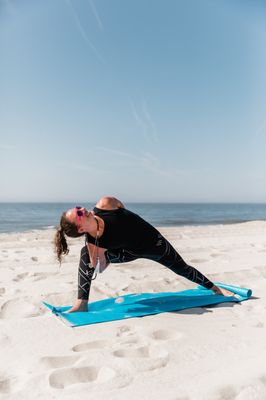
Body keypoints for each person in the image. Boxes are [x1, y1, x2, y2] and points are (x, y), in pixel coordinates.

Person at [54, 196, 234, 312]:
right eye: (78, 213)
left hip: (153, 243)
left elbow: (120, 206)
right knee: (86, 254)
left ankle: (215, 289)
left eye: (78, 207)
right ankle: (81, 303)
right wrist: (99, 258)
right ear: (81, 228)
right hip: (130, 252)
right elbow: (100, 267)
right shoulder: (93, 243)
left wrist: (127, 224)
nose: (82, 209)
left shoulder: (105, 204)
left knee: (181, 268)